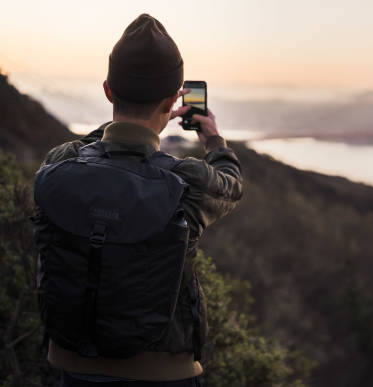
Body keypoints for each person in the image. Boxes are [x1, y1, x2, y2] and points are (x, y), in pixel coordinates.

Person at [33, 14, 243, 387]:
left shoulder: (60, 162)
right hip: (164, 375)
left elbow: (88, 147)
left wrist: (121, 124)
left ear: (108, 91)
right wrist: (213, 139)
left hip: (72, 366)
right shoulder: (186, 182)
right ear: (172, 98)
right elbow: (231, 185)